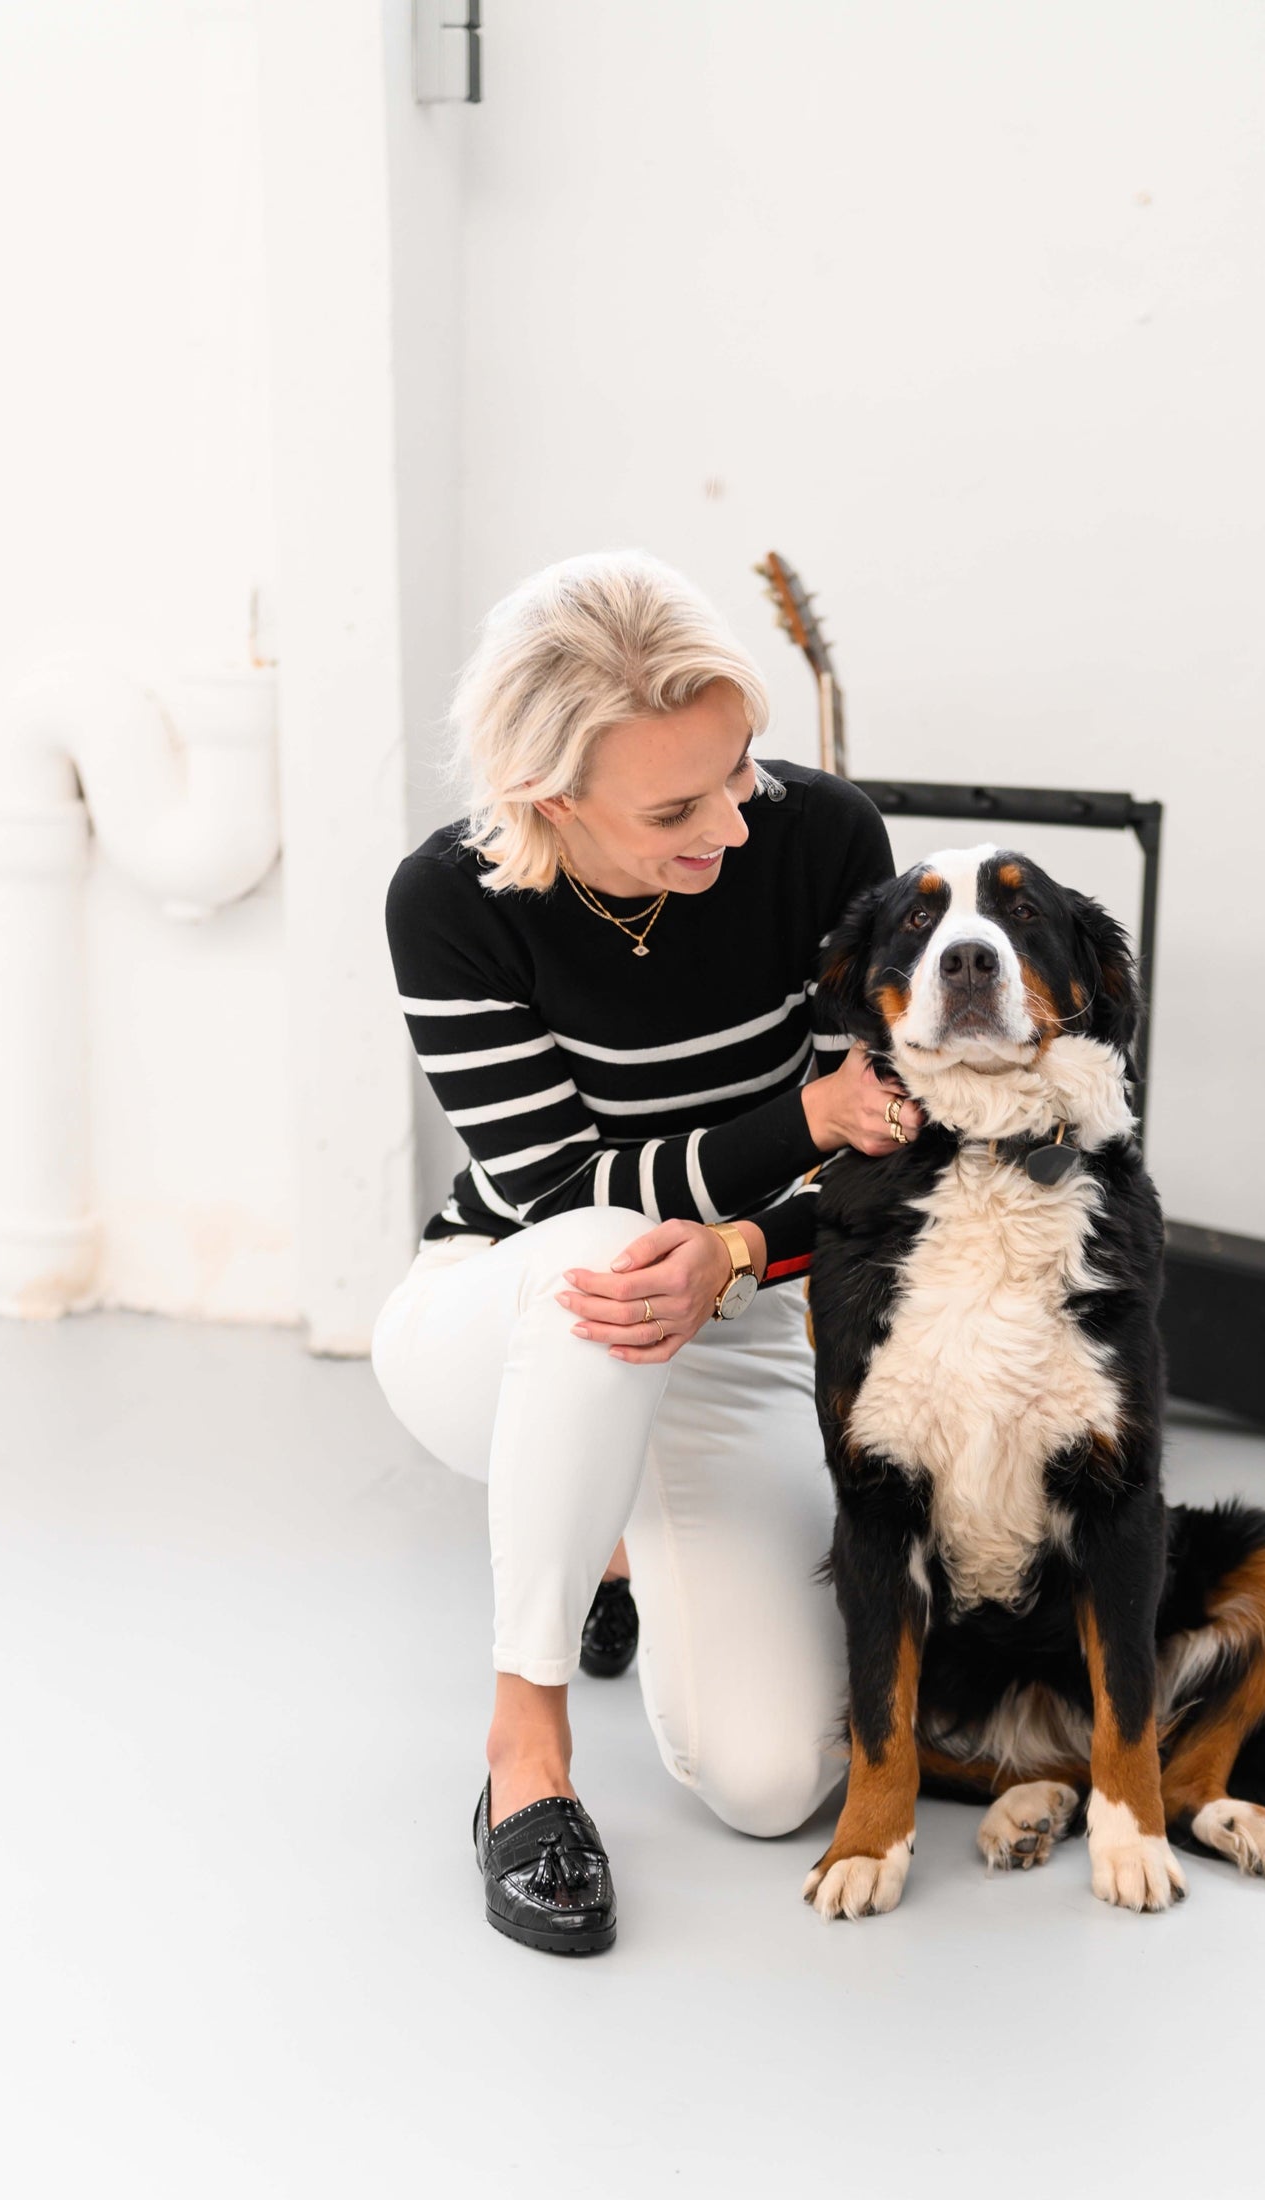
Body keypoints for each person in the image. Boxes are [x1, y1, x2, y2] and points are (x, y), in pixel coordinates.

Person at [370, 551, 922, 1954]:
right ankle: (524, 1755)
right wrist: (795, 1116)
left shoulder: (821, 841)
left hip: (734, 1305)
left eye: (741, 771)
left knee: (772, 1784)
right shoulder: (448, 904)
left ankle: (614, 1537)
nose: (735, 826)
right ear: (551, 802)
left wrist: (736, 1250)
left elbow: (883, 1162)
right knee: (605, 1243)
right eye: (677, 808)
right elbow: (558, 1186)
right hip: (512, 1315)